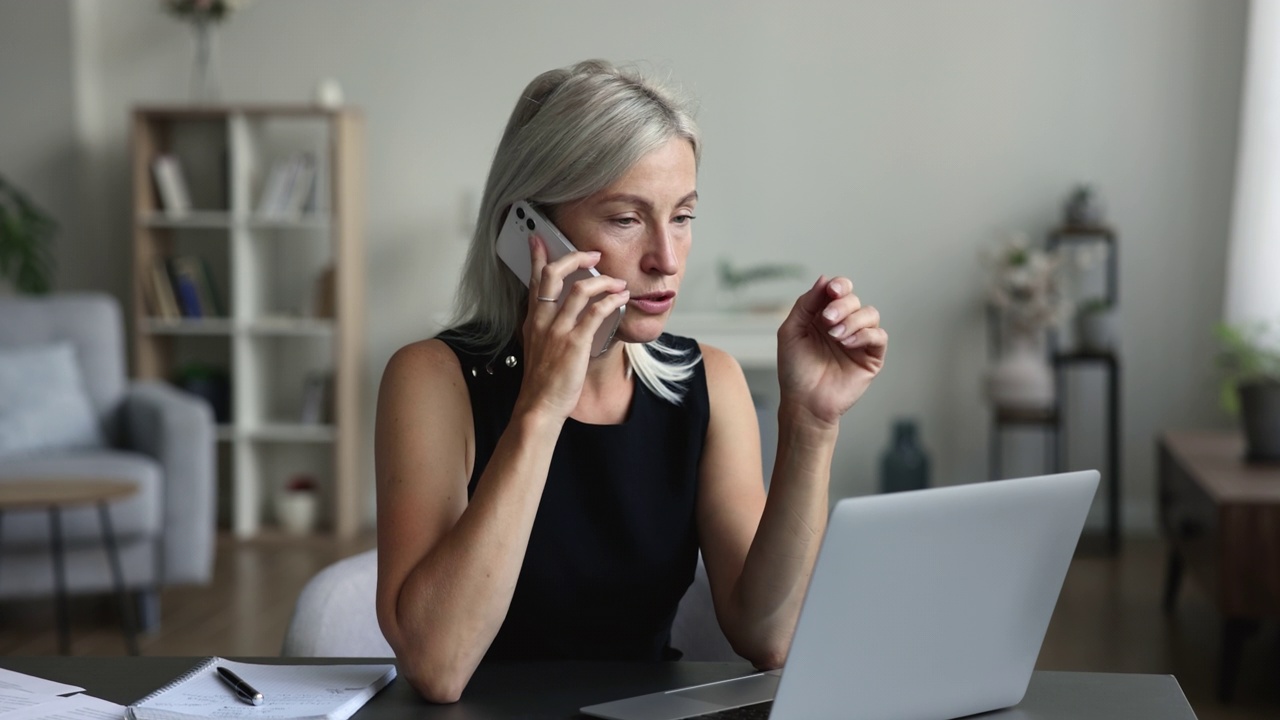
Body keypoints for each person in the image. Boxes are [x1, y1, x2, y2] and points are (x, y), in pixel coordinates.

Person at [374, 59, 888, 704]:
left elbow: (769, 632)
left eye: (682, 216)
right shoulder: (432, 381)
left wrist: (811, 424)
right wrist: (541, 407)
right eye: (625, 218)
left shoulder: (710, 382)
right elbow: (438, 665)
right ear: (526, 231)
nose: (666, 259)